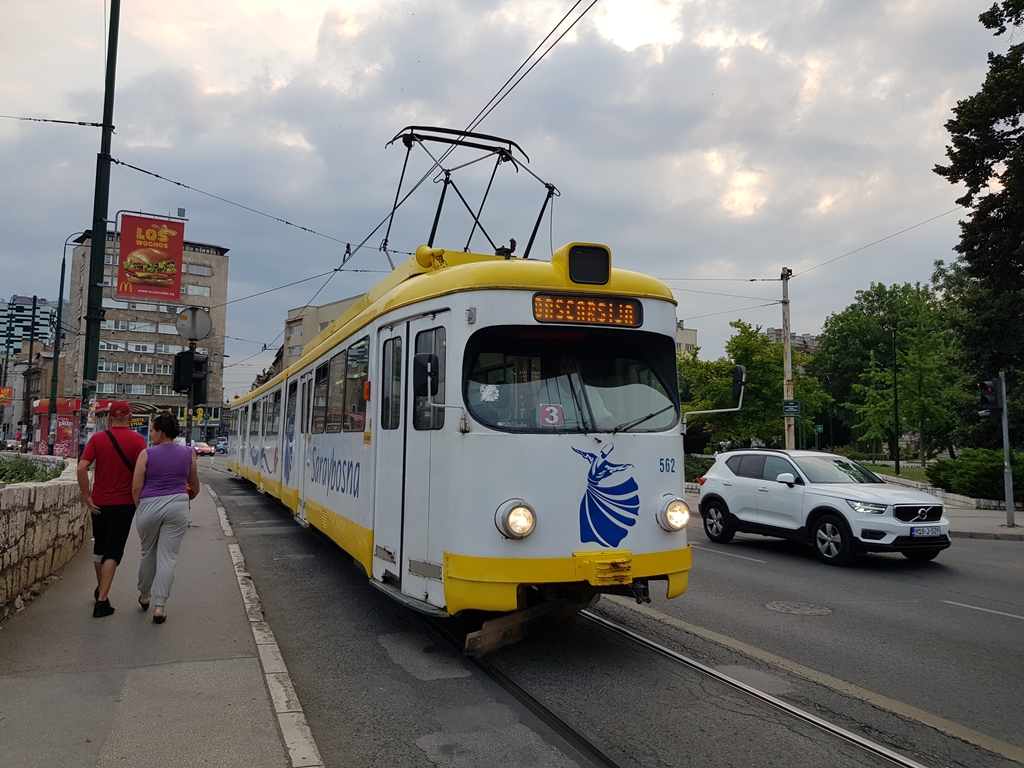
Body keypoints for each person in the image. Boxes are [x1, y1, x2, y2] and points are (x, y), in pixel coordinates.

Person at [76, 401, 147, 618]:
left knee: (100, 548)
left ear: (110, 418)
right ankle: (102, 601)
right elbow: (142, 472)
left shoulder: (98, 439)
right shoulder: (138, 440)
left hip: (99, 502)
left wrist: (87, 496)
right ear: (130, 416)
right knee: (113, 552)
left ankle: (101, 589)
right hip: (124, 503)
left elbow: (81, 467)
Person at [132, 413, 199, 624]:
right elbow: (194, 484)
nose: (150, 435)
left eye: (152, 431)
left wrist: (141, 507)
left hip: (149, 505)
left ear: (161, 433)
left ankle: (144, 595)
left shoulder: (146, 454)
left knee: (147, 552)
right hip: (177, 505)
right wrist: (189, 496)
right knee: (167, 557)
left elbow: (136, 487)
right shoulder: (189, 453)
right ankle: (160, 607)